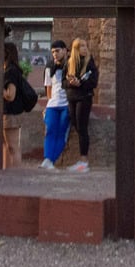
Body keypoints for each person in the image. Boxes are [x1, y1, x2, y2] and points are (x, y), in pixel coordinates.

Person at [64, 38, 99, 173]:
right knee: (75, 124)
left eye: (85, 46)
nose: (84, 49)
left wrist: (81, 83)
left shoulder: (89, 63)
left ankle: (84, 161)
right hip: (72, 97)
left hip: (84, 97)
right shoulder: (70, 63)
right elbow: (63, 82)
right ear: (75, 49)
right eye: (81, 47)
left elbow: (93, 82)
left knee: (82, 126)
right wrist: (70, 83)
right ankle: (81, 160)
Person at [40, 39, 71, 170]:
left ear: (65, 50)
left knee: (62, 132)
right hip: (53, 104)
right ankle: (47, 159)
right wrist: (48, 104)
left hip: (67, 104)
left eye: (57, 51)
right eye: (53, 52)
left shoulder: (71, 65)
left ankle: (52, 160)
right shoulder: (49, 67)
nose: (55, 54)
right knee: (50, 130)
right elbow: (48, 88)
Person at [1, 41, 26, 167]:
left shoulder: (11, 71)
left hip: (11, 112)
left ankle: (14, 172)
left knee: (12, 146)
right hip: (10, 112)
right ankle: (8, 170)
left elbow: (10, 95)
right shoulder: (12, 69)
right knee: (6, 145)